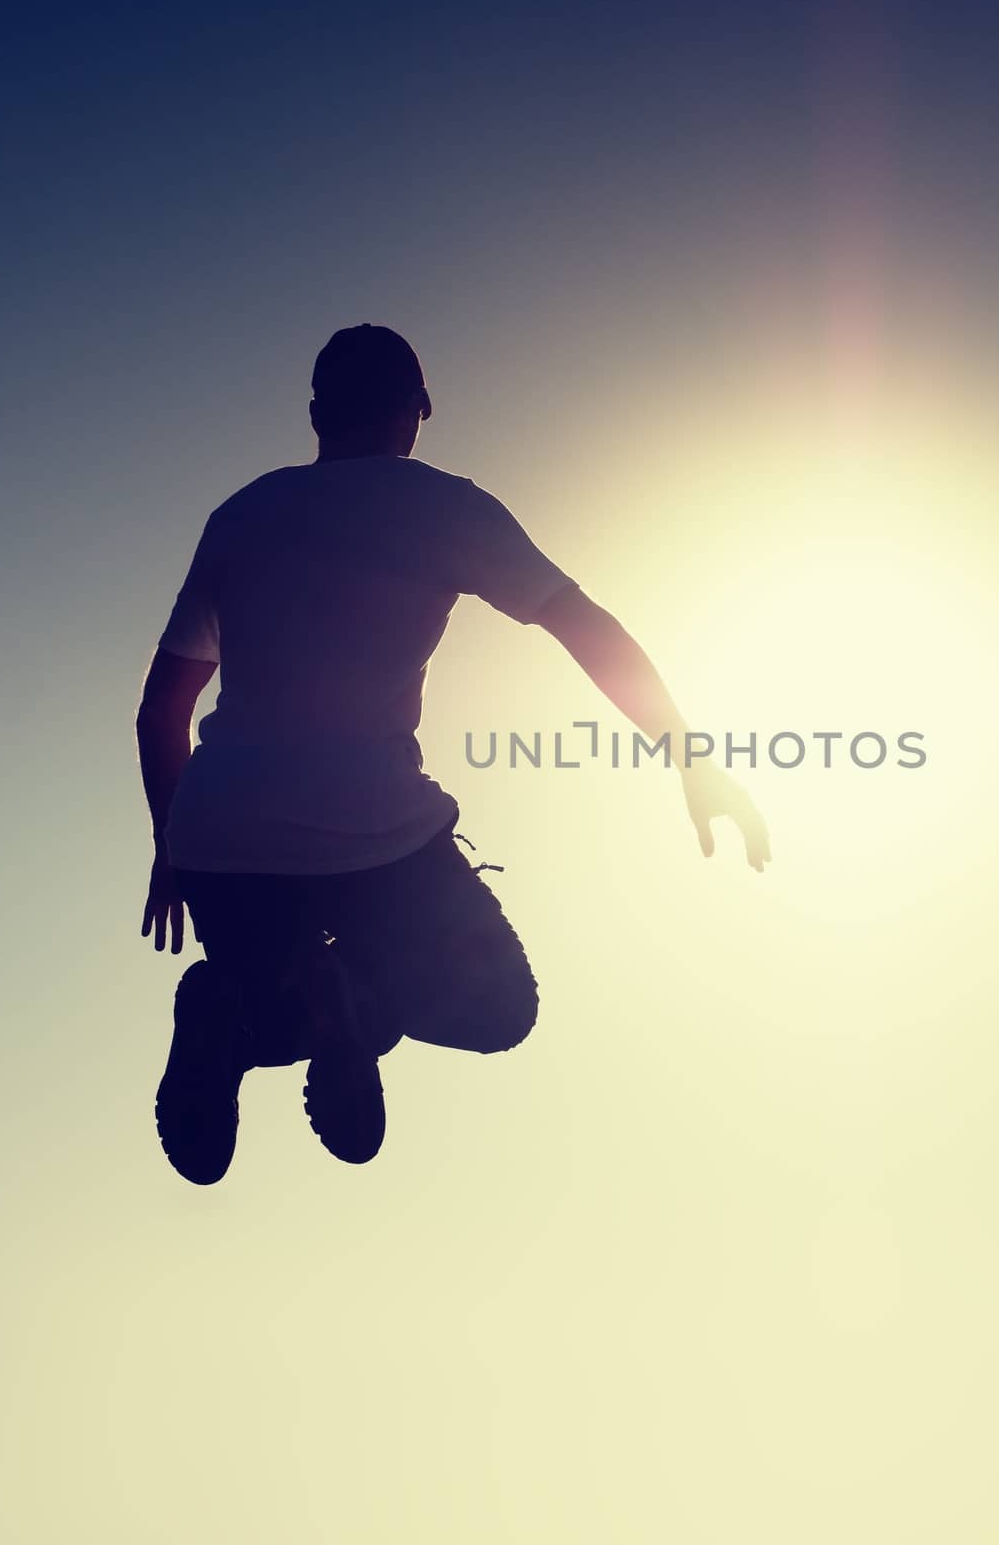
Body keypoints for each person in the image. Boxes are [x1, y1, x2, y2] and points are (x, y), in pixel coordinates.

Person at [136, 324, 770, 1185]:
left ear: (316, 414)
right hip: (376, 834)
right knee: (496, 1006)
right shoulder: (444, 506)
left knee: (263, 1001)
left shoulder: (242, 515)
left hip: (221, 837)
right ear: (417, 414)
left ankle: (236, 1013)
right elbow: (582, 627)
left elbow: (161, 710)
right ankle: (344, 1003)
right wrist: (689, 757)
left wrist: (171, 846)